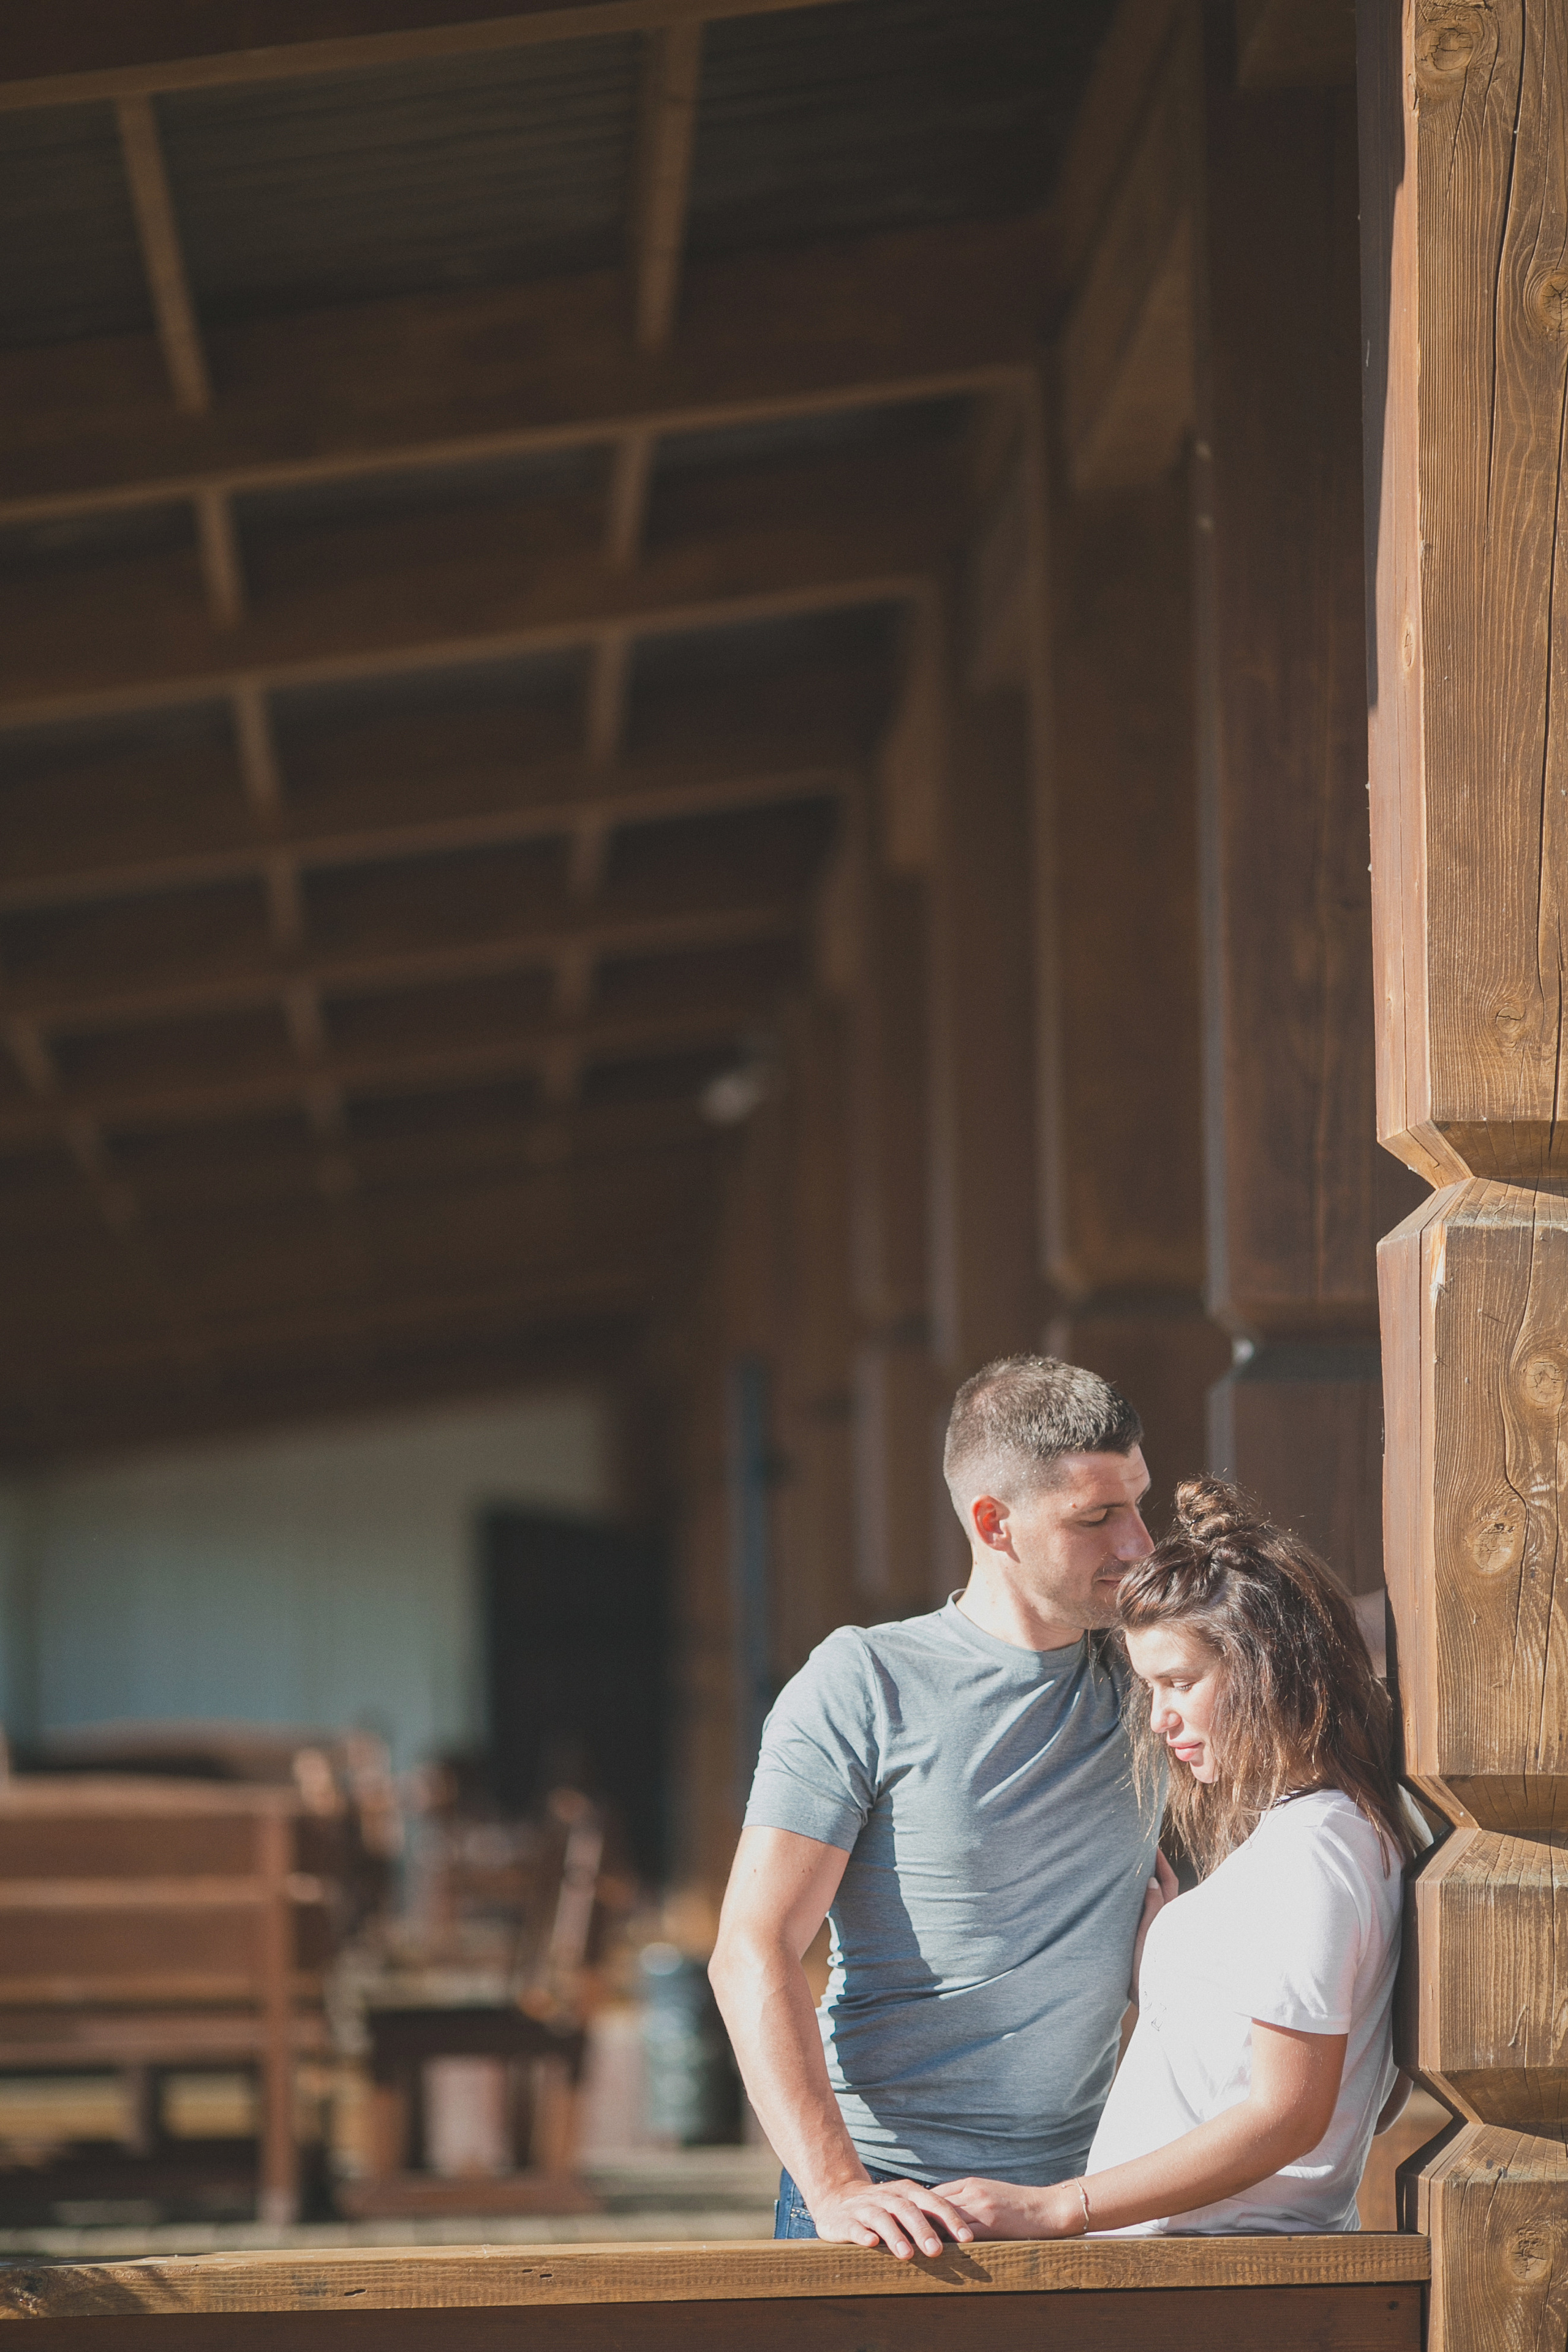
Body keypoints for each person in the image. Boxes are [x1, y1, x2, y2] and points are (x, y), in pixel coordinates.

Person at [707, 1354, 1174, 2259]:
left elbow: (1329, 1636)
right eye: (1096, 1517)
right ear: (993, 1524)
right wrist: (838, 2190)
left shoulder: (1152, 1671)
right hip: (890, 2206)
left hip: (1081, 2197)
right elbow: (751, 1947)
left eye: (1138, 1504)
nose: (1138, 1545)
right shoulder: (864, 1680)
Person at [932, 1478, 1423, 2240]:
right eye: (1149, 1687)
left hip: (1218, 2269)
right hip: (1201, 2262)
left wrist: (1056, 2206)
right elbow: (1358, 2090)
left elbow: (1290, 2116)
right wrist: (1175, 1966)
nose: (1160, 1718)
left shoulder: (1315, 1851)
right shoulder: (1336, 1832)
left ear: (1266, 1665)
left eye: (1179, 1682)